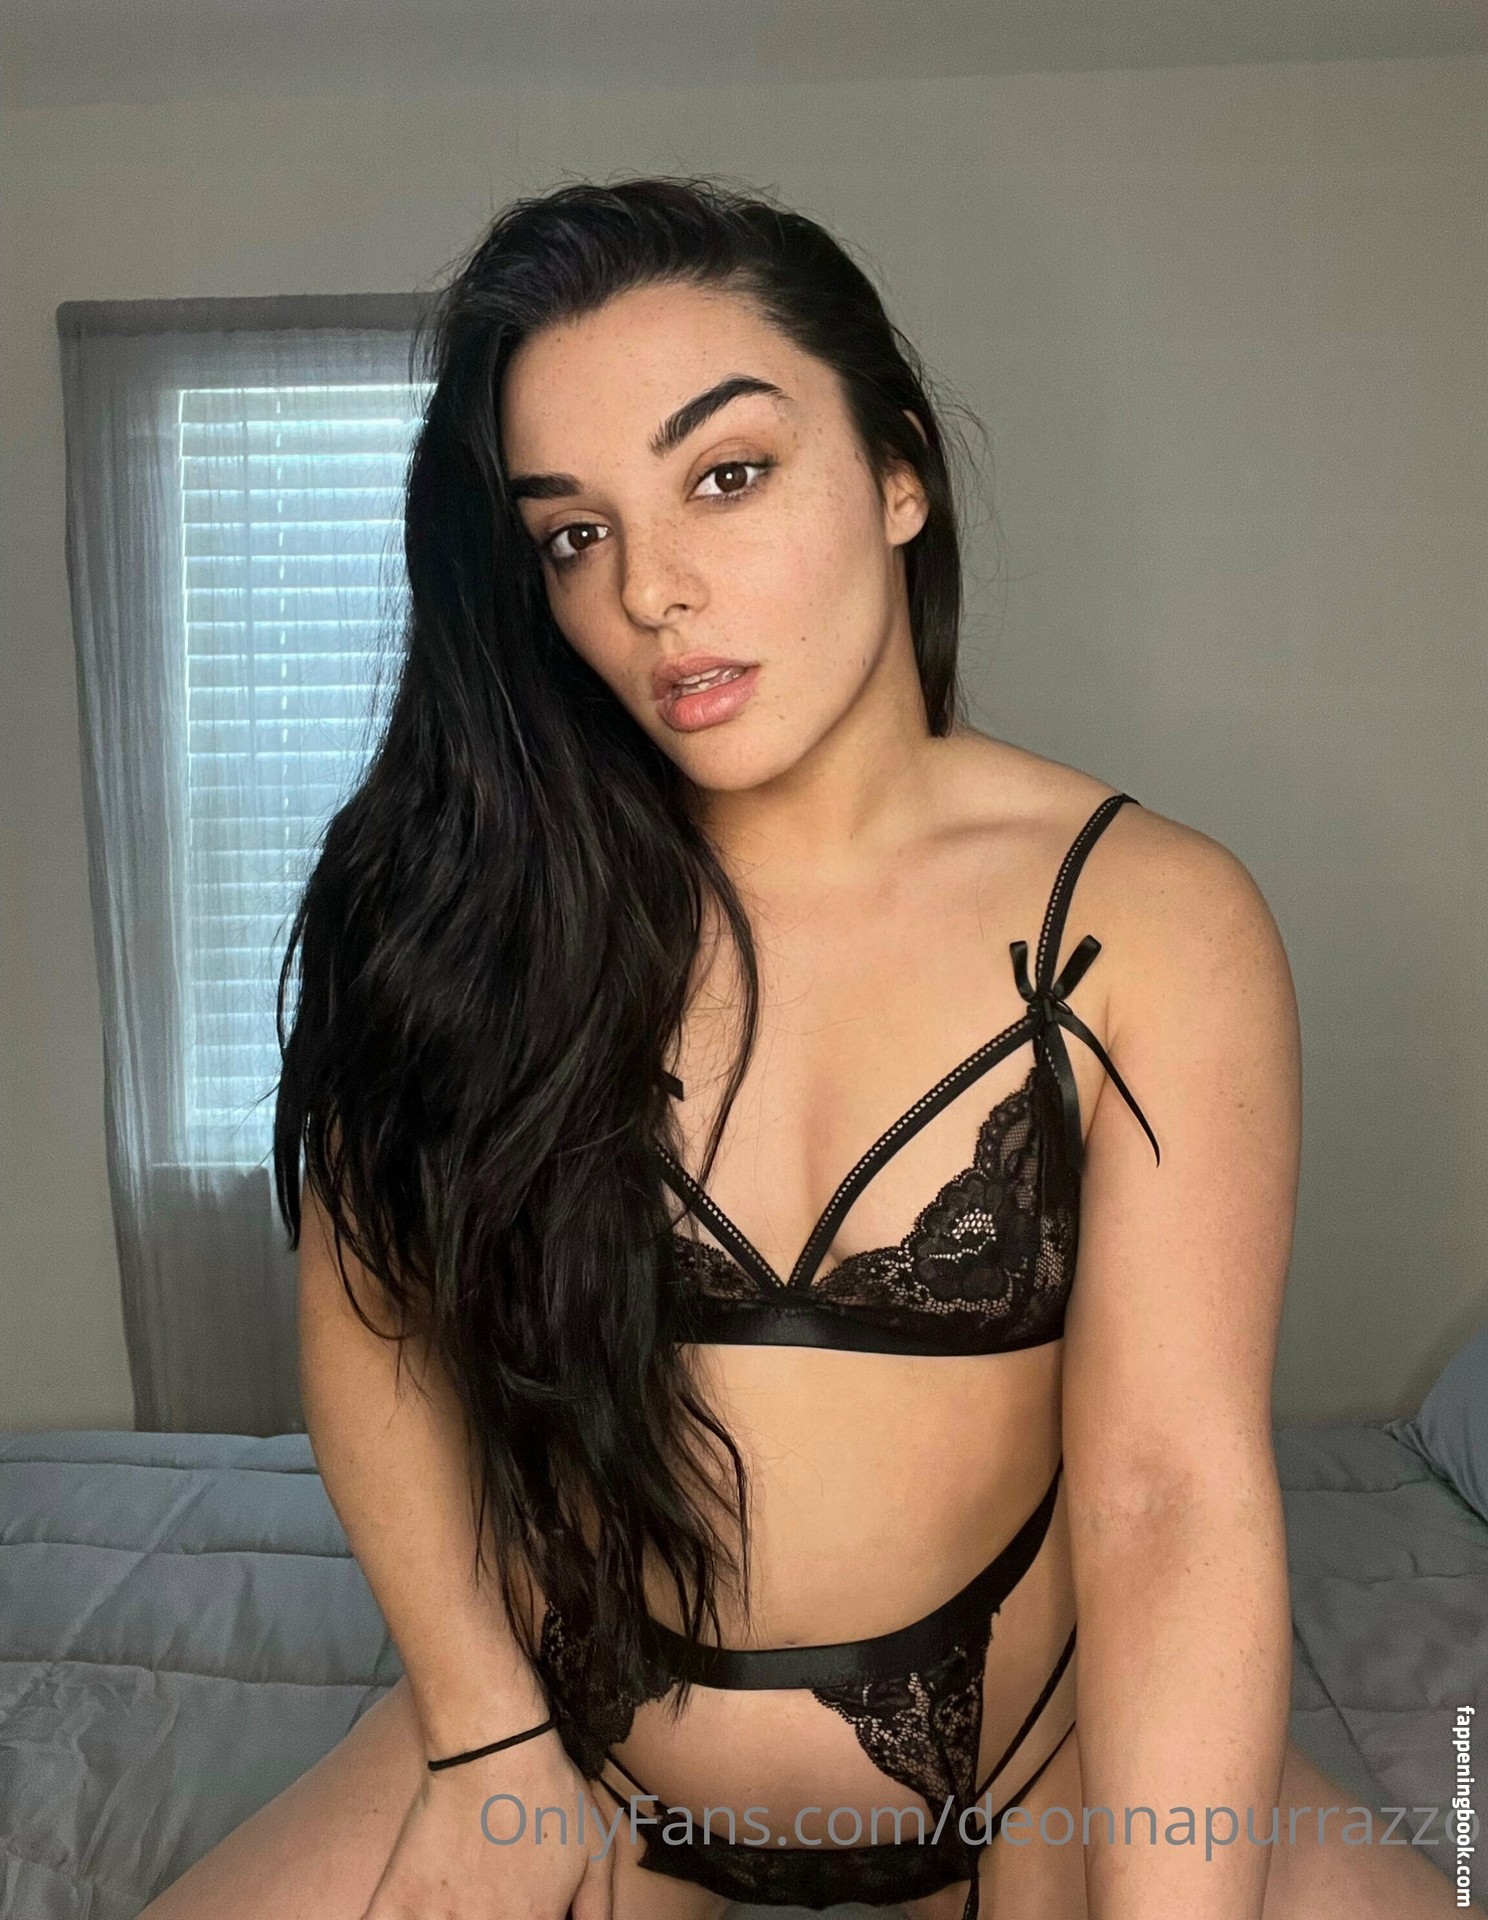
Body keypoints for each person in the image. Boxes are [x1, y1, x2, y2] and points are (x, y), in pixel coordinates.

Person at [140, 176, 1461, 1920]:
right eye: (574, 535)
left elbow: (1167, 1495)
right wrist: (481, 1737)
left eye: (727, 474)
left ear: (899, 471)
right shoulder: (478, 905)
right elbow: (371, 1317)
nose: (654, 591)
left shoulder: (1149, 918)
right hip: (577, 1783)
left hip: (1037, 1791)